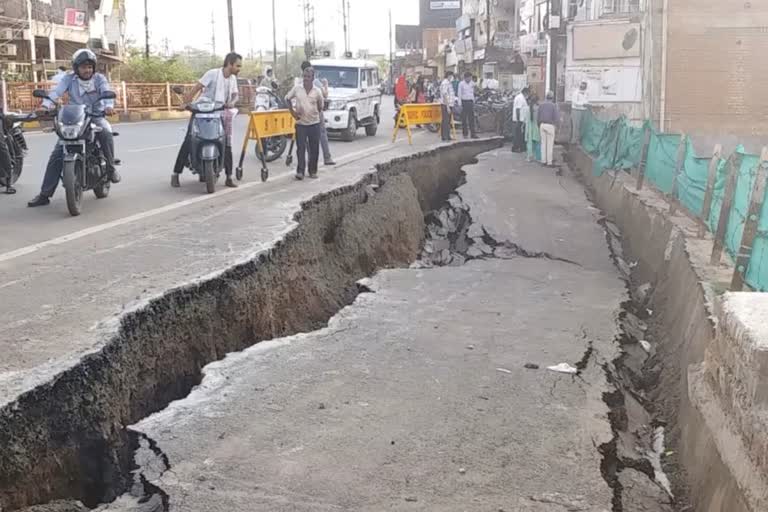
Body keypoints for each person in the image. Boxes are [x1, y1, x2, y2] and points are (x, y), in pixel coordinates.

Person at [28, 49, 119, 208]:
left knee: (106, 131)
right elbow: (55, 93)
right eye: (84, 67)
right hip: (74, 117)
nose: (87, 70)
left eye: (90, 67)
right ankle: (44, 194)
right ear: (76, 68)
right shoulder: (69, 79)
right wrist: (45, 105)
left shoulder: (99, 79)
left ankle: (111, 169)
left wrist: (109, 107)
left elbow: (106, 92)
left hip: (96, 116)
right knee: (57, 154)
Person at [171, 52, 242, 189]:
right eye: (237, 66)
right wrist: (185, 103)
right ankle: (175, 174)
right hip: (201, 110)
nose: (239, 68)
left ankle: (228, 177)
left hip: (220, 112)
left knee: (226, 142)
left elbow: (235, 96)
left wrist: (232, 102)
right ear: (230, 64)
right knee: (189, 140)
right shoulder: (212, 74)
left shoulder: (232, 79)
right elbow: (196, 89)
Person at [286, 66, 325, 180]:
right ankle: (300, 171)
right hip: (300, 124)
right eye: (304, 76)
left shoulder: (317, 91)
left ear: (313, 78)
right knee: (300, 148)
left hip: (314, 123)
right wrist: (293, 113)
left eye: (308, 77)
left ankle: (312, 170)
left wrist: (314, 112)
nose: (306, 79)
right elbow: (287, 98)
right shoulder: (297, 89)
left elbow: (320, 106)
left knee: (314, 149)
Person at [299, 61, 335, 166]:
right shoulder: (315, 81)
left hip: (304, 114)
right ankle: (327, 157)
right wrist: (326, 84)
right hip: (316, 112)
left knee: (307, 137)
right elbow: (325, 95)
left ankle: (311, 161)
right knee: (322, 134)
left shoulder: (300, 83)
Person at [538, 91, 560, 167]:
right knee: (549, 145)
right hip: (550, 126)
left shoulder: (541, 105)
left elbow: (538, 117)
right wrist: (557, 126)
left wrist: (539, 126)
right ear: (552, 98)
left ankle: (543, 161)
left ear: (546, 97)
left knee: (543, 144)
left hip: (542, 125)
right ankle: (549, 162)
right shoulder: (554, 106)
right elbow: (557, 117)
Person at [458, 72, 478, 139]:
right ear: (465, 78)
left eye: (470, 78)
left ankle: (473, 134)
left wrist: (474, 101)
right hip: (464, 102)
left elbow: (474, 91)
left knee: (471, 119)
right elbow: (459, 94)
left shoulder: (472, 83)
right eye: (469, 78)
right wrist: (460, 104)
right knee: (464, 119)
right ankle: (465, 134)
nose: (470, 79)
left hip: (470, 102)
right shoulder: (461, 84)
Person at [439, 71, 456, 142]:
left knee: (448, 121)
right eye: (451, 76)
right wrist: (448, 106)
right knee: (445, 121)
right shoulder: (445, 83)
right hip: (446, 104)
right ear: (449, 75)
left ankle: (447, 136)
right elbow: (445, 95)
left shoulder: (449, 83)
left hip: (450, 104)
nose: (452, 78)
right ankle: (445, 136)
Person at [571, 80, 589, 145]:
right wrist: (582, 104)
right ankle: (575, 140)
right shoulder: (576, 93)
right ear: (580, 86)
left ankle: (580, 140)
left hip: (584, 110)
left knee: (582, 125)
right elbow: (574, 102)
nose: (584, 87)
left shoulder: (586, 92)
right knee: (576, 125)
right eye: (582, 85)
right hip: (576, 110)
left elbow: (587, 100)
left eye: (585, 86)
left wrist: (587, 104)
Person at [512, 86, 529, 152]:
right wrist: (518, 120)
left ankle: (520, 147)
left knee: (520, 135)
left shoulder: (521, 97)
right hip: (519, 120)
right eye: (528, 93)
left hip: (521, 119)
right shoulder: (520, 98)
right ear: (525, 92)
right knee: (517, 135)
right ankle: (515, 148)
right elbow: (518, 109)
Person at [525, 93, 541, 163]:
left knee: (529, 143)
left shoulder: (527, 108)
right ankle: (538, 157)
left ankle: (529, 157)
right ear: (537, 100)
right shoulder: (538, 108)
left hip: (529, 127)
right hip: (536, 127)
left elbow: (525, 119)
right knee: (537, 143)